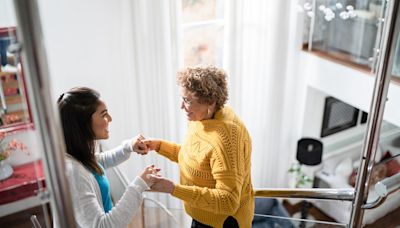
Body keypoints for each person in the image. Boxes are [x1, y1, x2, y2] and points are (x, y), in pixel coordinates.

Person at [141, 66, 254, 228]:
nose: (182, 106)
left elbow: (228, 201)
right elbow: (196, 157)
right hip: (203, 214)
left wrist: (172, 188)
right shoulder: (202, 119)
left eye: (187, 100)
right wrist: (159, 145)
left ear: (210, 101)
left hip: (222, 223)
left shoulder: (226, 137)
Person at [57, 87, 160, 228]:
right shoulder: (73, 173)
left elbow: (101, 161)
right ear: (83, 123)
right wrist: (139, 185)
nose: (110, 119)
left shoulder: (79, 157)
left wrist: (129, 146)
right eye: (104, 114)